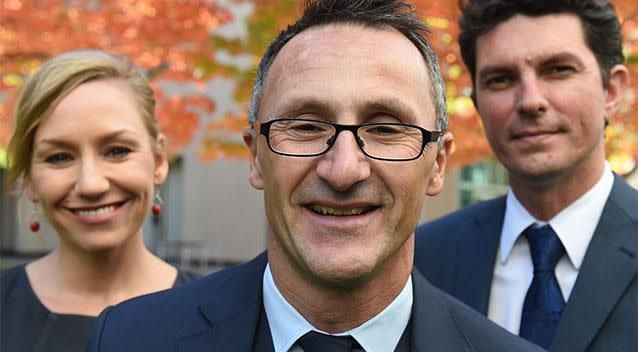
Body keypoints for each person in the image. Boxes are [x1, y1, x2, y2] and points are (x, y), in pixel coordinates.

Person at [85, 1, 543, 351]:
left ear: (437, 163)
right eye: (305, 126)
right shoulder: (131, 339)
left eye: (385, 129)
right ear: (256, 157)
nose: (344, 169)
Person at [414, 0, 636, 351]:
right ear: (478, 105)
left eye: (558, 70)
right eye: (500, 79)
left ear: (612, 90)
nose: (531, 101)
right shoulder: (422, 259)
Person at [0, 50, 199, 352]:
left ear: (158, 161)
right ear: (29, 179)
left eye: (117, 151)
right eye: (59, 157)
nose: (91, 184)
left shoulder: (222, 317)